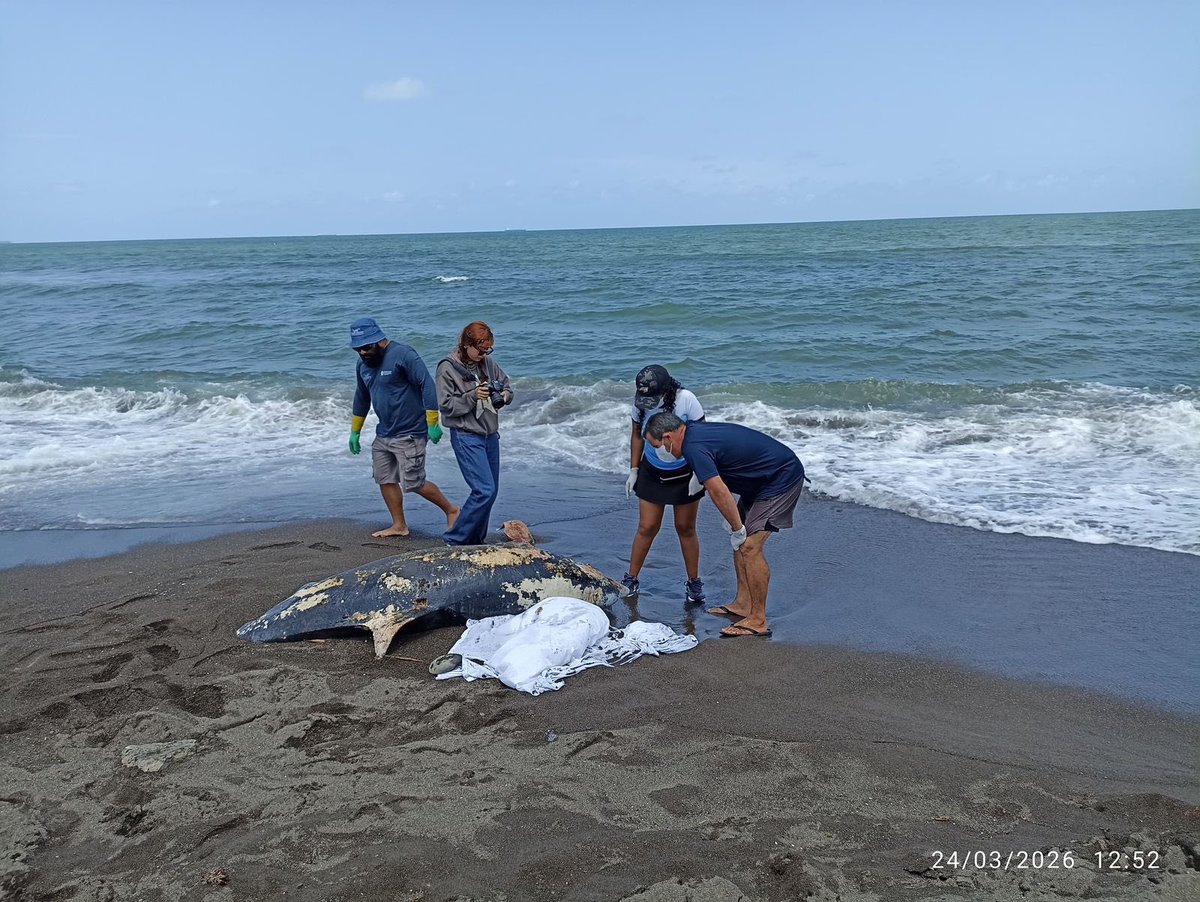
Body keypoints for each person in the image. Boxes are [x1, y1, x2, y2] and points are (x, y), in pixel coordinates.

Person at [643, 412, 806, 638]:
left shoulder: (693, 447)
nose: (658, 451)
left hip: (780, 478)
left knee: (749, 545)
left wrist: (738, 527)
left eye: (656, 445)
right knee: (739, 543)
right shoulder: (692, 433)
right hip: (758, 481)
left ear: (668, 438)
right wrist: (735, 524)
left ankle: (758, 619)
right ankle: (743, 604)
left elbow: (718, 490)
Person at [348, 317, 459, 538]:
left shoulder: (403, 355)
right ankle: (399, 525)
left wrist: (432, 422)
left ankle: (452, 510)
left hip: (410, 431)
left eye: (366, 347)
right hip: (384, 432)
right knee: (385, 478)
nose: (362, 352)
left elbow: (426, 384)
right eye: (358, 349)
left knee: (414, 482)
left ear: (379, 340)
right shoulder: (363, 364)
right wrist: (355, 431)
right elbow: (361, 397)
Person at [622, 365, 708, 602]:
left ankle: (694, 583)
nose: (648, 401)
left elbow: (700, 436)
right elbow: (637, 434)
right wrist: (634, 469)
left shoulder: (686, 400)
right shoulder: (640, 402)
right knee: (647, 527)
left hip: (684, 471)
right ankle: (631, 579)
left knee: (685, 528)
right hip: (652, 471)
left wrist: (699, 474)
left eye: (653, 396)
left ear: (666, 390)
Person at [436, 321, 514, 546]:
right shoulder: (447, 368)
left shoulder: (488, 364)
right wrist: (472, 396)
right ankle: (454, 538)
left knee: (491, 493)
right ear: (466, 344)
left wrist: (506, 396)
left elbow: (507, 387)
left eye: (488, 350)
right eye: (480, 350)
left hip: (490, 435)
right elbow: (445, 405)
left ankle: (475, 541)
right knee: (484, 490)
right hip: (466, 435)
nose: (484, 354)